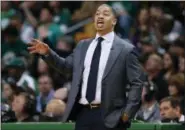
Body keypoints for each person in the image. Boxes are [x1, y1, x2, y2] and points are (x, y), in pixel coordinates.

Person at [28, 4, 143, 130]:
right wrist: (48, 53)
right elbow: (66, 66)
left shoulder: (125, 49)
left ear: (114, 21)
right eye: (97, 14)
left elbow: (137, 83)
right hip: (84, 114)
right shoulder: (82, 45)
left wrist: (127, 114)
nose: (100, 16)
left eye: (105, 14)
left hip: (112, 116)